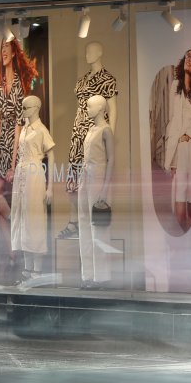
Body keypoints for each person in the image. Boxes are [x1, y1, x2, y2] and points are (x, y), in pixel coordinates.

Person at [0, 36, 38, 283]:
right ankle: (13, 248)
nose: (3, 52)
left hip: (15, 144)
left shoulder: (19, 84)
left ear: (14, 53)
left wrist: (14, 162)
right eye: (1, 49)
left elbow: (18, 124)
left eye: (7, 49)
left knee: (1, 199)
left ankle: (16, 250)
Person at [60, 42, 118, 240]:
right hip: (79, 130)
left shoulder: (107, 79)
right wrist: (77, 129)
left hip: (98, 131)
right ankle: (74, 220)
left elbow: (113, 108)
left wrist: (111, 134)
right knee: (74, 176)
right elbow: (80, 107)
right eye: (86, 50)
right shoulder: (82, 80)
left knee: (94, 174)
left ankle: (97, 215)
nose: (87, 53)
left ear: (101, 52)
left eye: (91, 50)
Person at [11, 95, 53, 282]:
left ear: (36, 107)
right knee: (22, 218)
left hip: (35, 174)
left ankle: (37, 269)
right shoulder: (25, 129)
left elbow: (51, 155)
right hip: (21, 175)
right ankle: (27, 267)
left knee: (34, 220)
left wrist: (50, 187)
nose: (24, 111)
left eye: (26, 107)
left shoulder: (41, 130)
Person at [165, 49, 191, 233]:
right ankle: (183, 231)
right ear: (183, 64)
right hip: (181, 146)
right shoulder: (176, 86)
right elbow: (174, 120)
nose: (190, 59)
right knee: (180, 192)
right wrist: (172, 155)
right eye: (187, 57)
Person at [78, 95, 115, 289]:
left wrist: (105, 188)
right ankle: (88, 275)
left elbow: (111, 161)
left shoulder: (106, 131)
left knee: (98, 229)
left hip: (98, 178)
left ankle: (101, 277)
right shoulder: (91, 130)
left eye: (90, 106)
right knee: (84, 224)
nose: (87, 108)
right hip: (85, 178)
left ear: (101, 108)